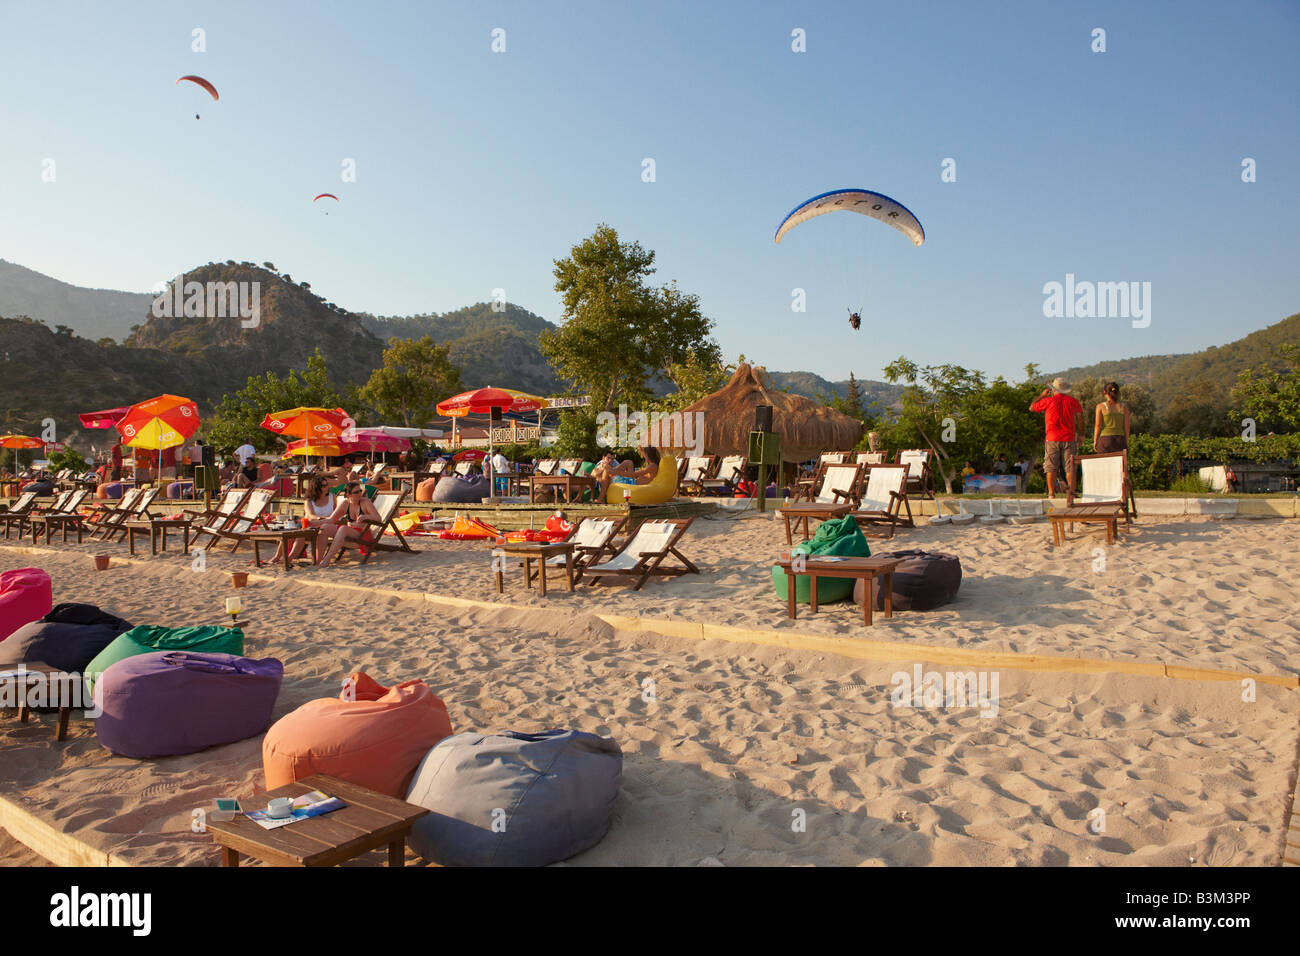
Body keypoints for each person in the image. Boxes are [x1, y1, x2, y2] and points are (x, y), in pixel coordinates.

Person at [1030, 377, 1084, 506]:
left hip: (1052, 438)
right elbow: (1080, 417)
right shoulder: (1073, 401)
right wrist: (1081, 434)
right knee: (1070, 467)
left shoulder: (1048, 401)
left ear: (1053, 389)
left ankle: (1051, 493)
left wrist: (1041, 396)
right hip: (1069, 438)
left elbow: (1031, 408)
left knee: (1051, 466)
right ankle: (1071, 492)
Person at [270, 475, 338, 565]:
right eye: (324, 486)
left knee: (302, 534)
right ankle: (277, 557)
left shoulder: (332, 497)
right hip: (310, 524)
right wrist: (322, 519)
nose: (326, 488)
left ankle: (288, 559)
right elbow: (310, 514)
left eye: (327, 485)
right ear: (316, 487)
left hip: (325, 526)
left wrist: (327, 520)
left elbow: (335, 512)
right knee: (295, 535)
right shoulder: (309, 500)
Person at [317, 480, 382, 567]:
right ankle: (318, 560)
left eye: (360, 491)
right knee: (325, 527)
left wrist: (366, 517)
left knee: (343, 529)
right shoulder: (345, 504)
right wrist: (313, 523)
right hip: (349, 530)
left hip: (363, 533)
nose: (359, 493)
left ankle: (326, 560)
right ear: (348, 495)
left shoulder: (365, 502)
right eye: (356, 492)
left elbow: (378, 519)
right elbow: (331, 519)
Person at [593, 446, 660, 498]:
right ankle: (601, 497)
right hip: (632, 482)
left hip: (632, 484)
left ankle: (601, 498)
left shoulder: (652, 466)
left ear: (649, 455)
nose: (644, 456)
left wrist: (614, 472)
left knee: (606, 472)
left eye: (645, 454)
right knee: (628, 462)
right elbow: (635, 475)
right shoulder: (652, 465)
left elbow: (633, 475)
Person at [1093, 382, 1131, 454]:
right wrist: (1126, 441)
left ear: (1105, 392)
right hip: (1120, 440)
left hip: (1105, 440)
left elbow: (1098, 426)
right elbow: (1127, 427)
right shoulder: (1124, 407)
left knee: (1104, 464)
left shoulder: (1100, 406)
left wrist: (1095, 440)